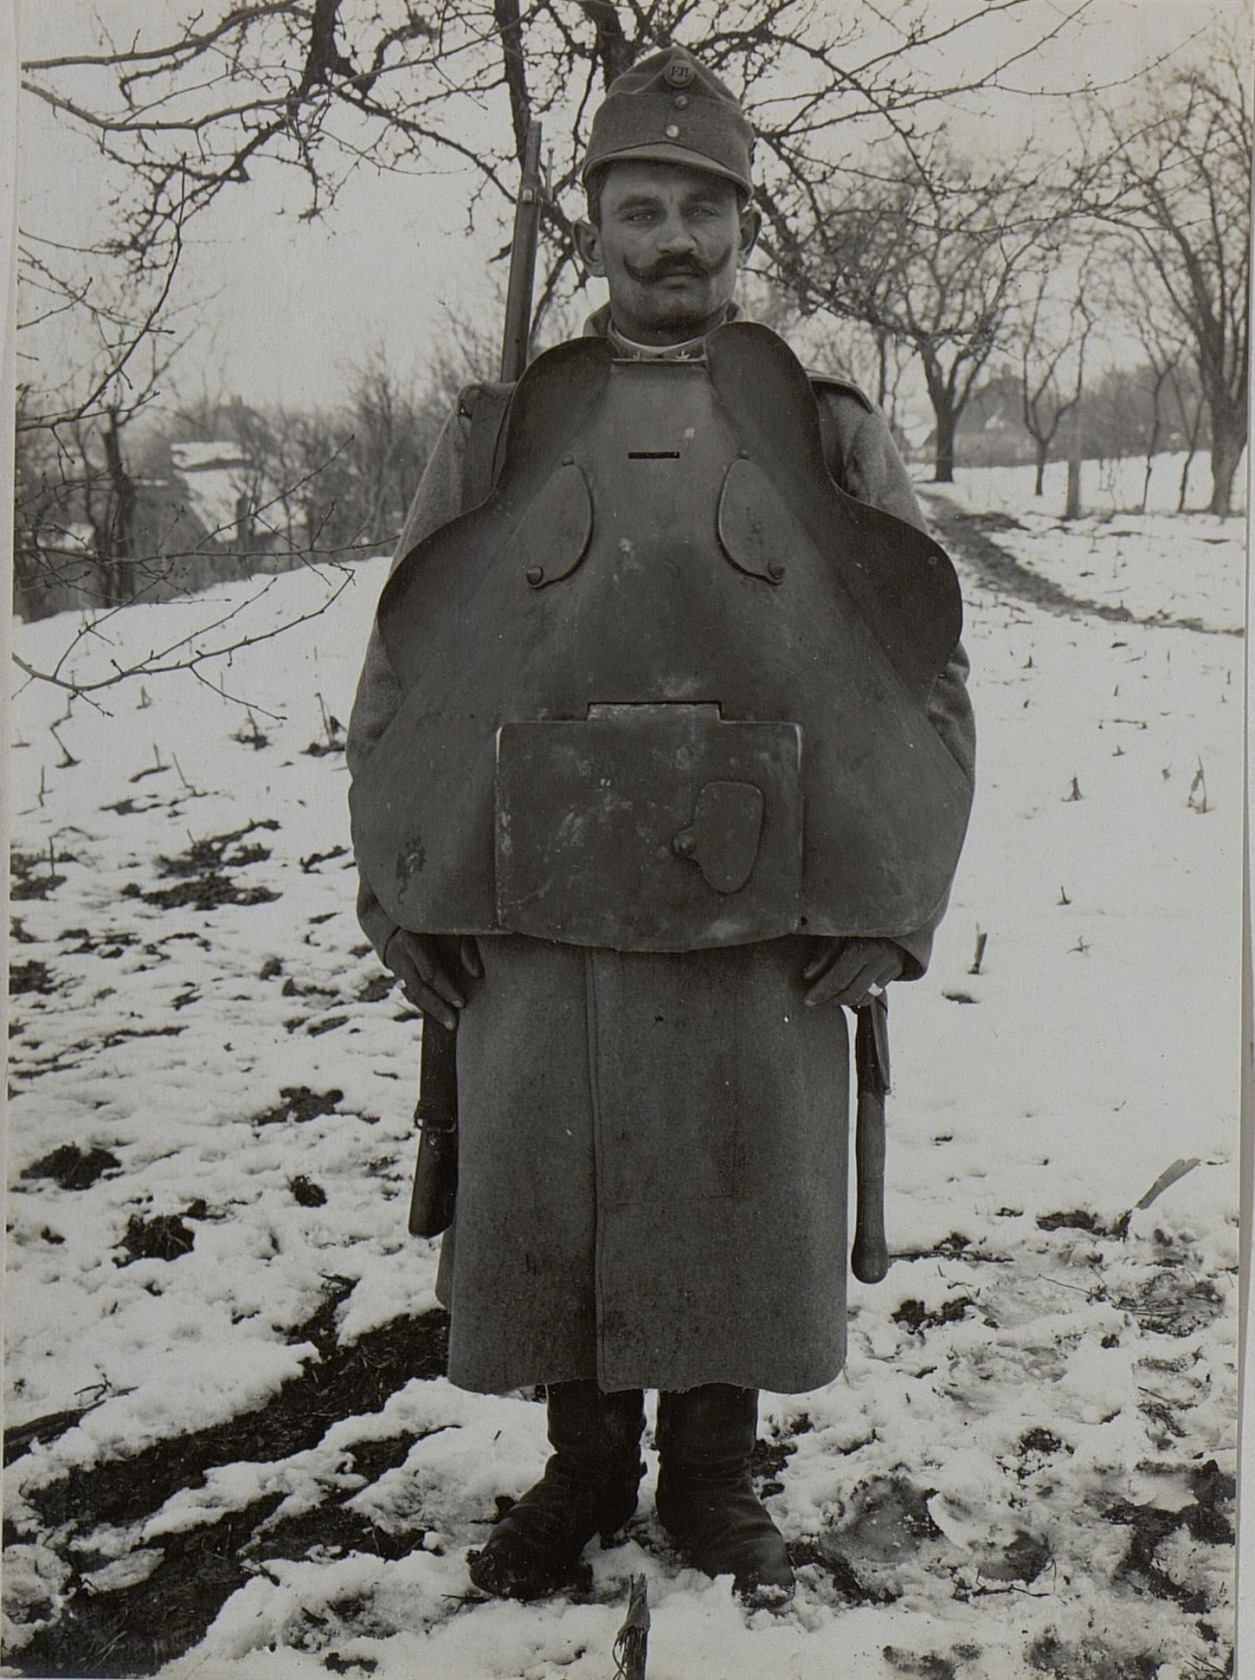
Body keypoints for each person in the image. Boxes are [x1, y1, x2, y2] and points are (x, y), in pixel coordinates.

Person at [347, 46, 975, 1609]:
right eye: (640, 209)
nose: (673, 241)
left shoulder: (826, 432)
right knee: (558, 1175)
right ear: (593, 225)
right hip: (534, 890)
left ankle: (710, 1477)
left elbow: (923, 672)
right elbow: (408, 661)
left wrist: (893, 896)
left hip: (764, 891)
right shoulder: (499, 433)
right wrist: (401, 883)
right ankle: (582, 1472)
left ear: (745, 224)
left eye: (703, 209)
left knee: (736, 1177)